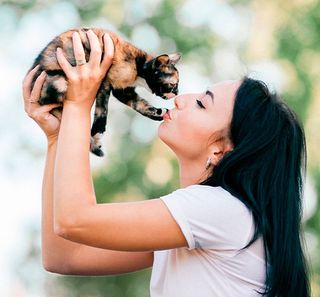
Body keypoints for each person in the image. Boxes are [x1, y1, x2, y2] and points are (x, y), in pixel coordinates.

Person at [22, 30, 311, 297]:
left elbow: (74, 220)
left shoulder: (220, 210)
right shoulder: (196, 226)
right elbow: (64, 255)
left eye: (202, 103)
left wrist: (78, 103)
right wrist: (57, 138)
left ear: (221, 150)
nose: (182, 99)